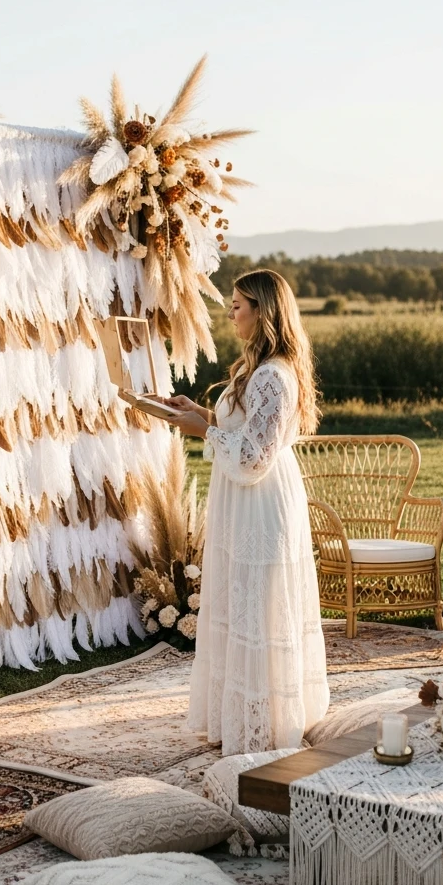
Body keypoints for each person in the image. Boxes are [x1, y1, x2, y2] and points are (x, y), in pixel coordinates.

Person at [160, 269, 329, 755]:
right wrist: (201, 414)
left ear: (263, 310)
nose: (230, 313)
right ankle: (243, 713)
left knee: (260, 603)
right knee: (242, 601)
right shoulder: (255, 368)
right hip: (242, 498)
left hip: (261, 501)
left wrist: (204, 433)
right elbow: (245, 428)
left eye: (238, 305)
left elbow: (255, 457)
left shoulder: (273, 376)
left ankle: (266, 721)